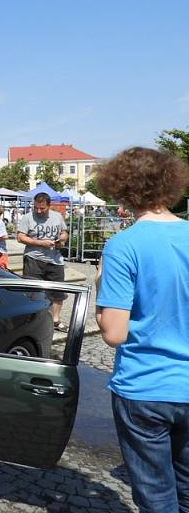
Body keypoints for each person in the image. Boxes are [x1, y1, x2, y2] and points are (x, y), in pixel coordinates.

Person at [94, 147, 189, 513]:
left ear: (121, 188)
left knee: (156, 497)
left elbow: (114, 333)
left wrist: (102, 285)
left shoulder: (123, 245)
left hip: (146, 388)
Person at [16, 192, 69, 331]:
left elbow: (64, 232)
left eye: (42, 208)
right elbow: (20, 237)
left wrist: (62, 240)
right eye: (36, 208)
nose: (38, 211)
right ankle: (32, 320)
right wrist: (39, 243)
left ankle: (55, 320)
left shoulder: (57, 216)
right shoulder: (28, 218)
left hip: (55, 259)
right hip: (34, 258)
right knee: (32, 291)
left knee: (58, 291)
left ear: (49, 206)